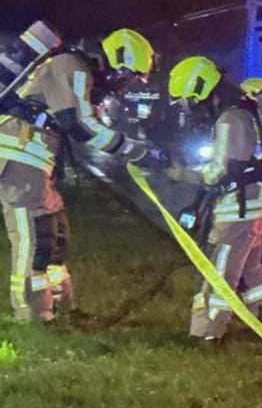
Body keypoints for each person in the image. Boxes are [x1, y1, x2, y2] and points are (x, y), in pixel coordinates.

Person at [0, 26, 155, 323]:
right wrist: (138, 152)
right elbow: (81, 126)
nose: (124, 86)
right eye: (127, 76)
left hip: (34, 154)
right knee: (33, 235)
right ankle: (32, 317)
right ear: (116, 63)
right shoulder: (73, 66)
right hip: (20, 153)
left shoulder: (76, 70)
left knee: (56, 234)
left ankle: (61, 309)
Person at [165, 57, 262, 341]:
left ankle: (207, 335)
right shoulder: (245, 112)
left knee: (218, 274)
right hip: (255, 206)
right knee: (250, 269)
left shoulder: (229, 119)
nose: (192, 109)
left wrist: (181, 174)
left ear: (201, 92)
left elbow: (218, 171)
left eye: (190, 102)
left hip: (237, 211)